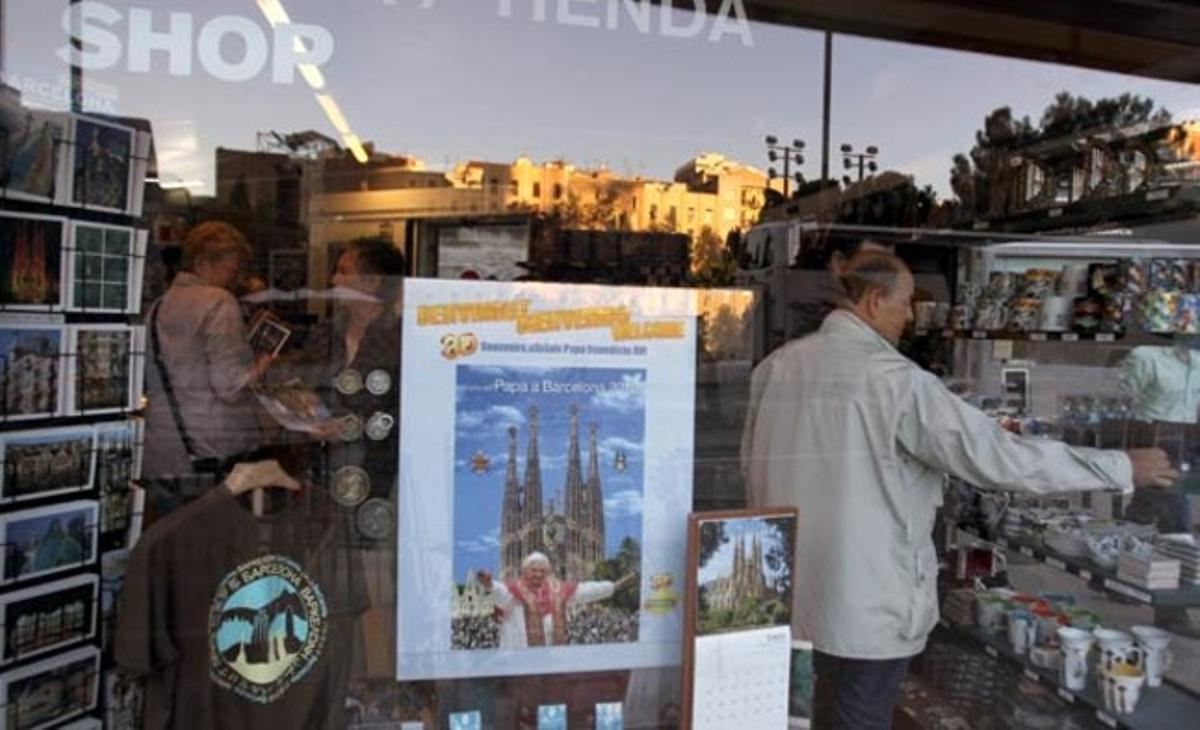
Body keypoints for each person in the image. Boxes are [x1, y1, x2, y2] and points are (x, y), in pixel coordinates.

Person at [741, 250, 1177, 729]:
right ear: (872, 301)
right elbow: (1000, 458)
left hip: (789, 592)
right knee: (859, 717)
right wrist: (1117, 466)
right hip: (869, 604)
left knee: (796, 718)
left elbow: (751, 469)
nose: (910, 315)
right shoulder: (898, 383)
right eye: (905, 302)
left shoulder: (775, 369)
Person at [142, 221, 270, 517]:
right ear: (202, 262)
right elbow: (230, 386)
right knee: (215, 550)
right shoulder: (219, 302)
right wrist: (264, 361)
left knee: (174, 543)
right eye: (231, 268)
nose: (235, 278)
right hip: (210, 449)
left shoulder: (158, 306)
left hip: (162, 449)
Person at [477, 553, 636, 649]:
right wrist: (488, 583)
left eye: (542, 570)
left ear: (547, 572)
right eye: (533, 570)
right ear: (525, 571)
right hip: (519, 658)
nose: (538, 574)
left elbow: (585, 590)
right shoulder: (514, 590)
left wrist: (614, 587)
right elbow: (498, 591)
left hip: (551, 656)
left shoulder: (558, 590)